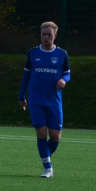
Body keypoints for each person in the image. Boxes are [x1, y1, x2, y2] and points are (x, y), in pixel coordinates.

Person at [18, 21, 70, 178]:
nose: (46, 37)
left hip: (54, 101)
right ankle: (48, 168)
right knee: (41, 133)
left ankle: (45, 154)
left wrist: (63, 80)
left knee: (55, 136)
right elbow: (26, 76)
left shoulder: (62, 54)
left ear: (55, 35)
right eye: (43, 34)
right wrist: (21, 96)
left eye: (49, 34)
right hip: (36, 100)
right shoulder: (32, 53)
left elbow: (67, 73)